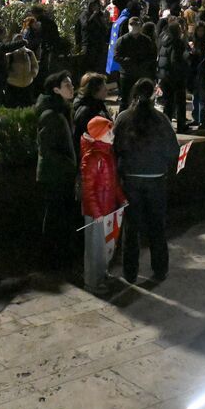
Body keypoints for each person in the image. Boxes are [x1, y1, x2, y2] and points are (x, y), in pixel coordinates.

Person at [113, 78, 180, 284]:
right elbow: (173, 150)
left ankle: (130, 272)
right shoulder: (161, 119)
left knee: (131, 228)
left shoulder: (124, 118)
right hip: (156, 179)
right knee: (157, 227)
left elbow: (115, 148)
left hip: (131, 180)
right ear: (154, 95)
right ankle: (160, 270)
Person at [35, 71, 79, 267]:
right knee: (54, 216)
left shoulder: (62, 110)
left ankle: (60, 253)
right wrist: (69, 165)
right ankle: (51, 256)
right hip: (55, 174)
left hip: (62, 172)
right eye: (67, 85)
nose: (71, 88)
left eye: (71, 84)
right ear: (56, 90)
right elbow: (46, 148)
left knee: (61, 214)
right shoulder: (51, 115)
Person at [79, 115, 124, 295]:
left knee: (104, 246)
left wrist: (121, 198)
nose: (112, 134)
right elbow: (88, 190)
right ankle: (92, 282)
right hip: (97, 212)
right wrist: (96, 213)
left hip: (107, 208)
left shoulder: (106, 153)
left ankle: (101, 275)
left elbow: (112, 182)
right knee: (95, 249)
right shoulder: (92, 158)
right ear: (98, 135)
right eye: (109, 132)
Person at [157, 19, 190, 131]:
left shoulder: (163, 41)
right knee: (180, 102)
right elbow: (176, 60)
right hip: (176, 77)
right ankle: (181, 126)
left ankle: (166, 126)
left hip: (164, 76)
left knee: (168, 103)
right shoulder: (177, 42)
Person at [72, 72, 113, 141]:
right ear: (94, 91)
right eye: (104, 89)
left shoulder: (97, 103)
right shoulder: (87, 112)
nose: (107, 90)